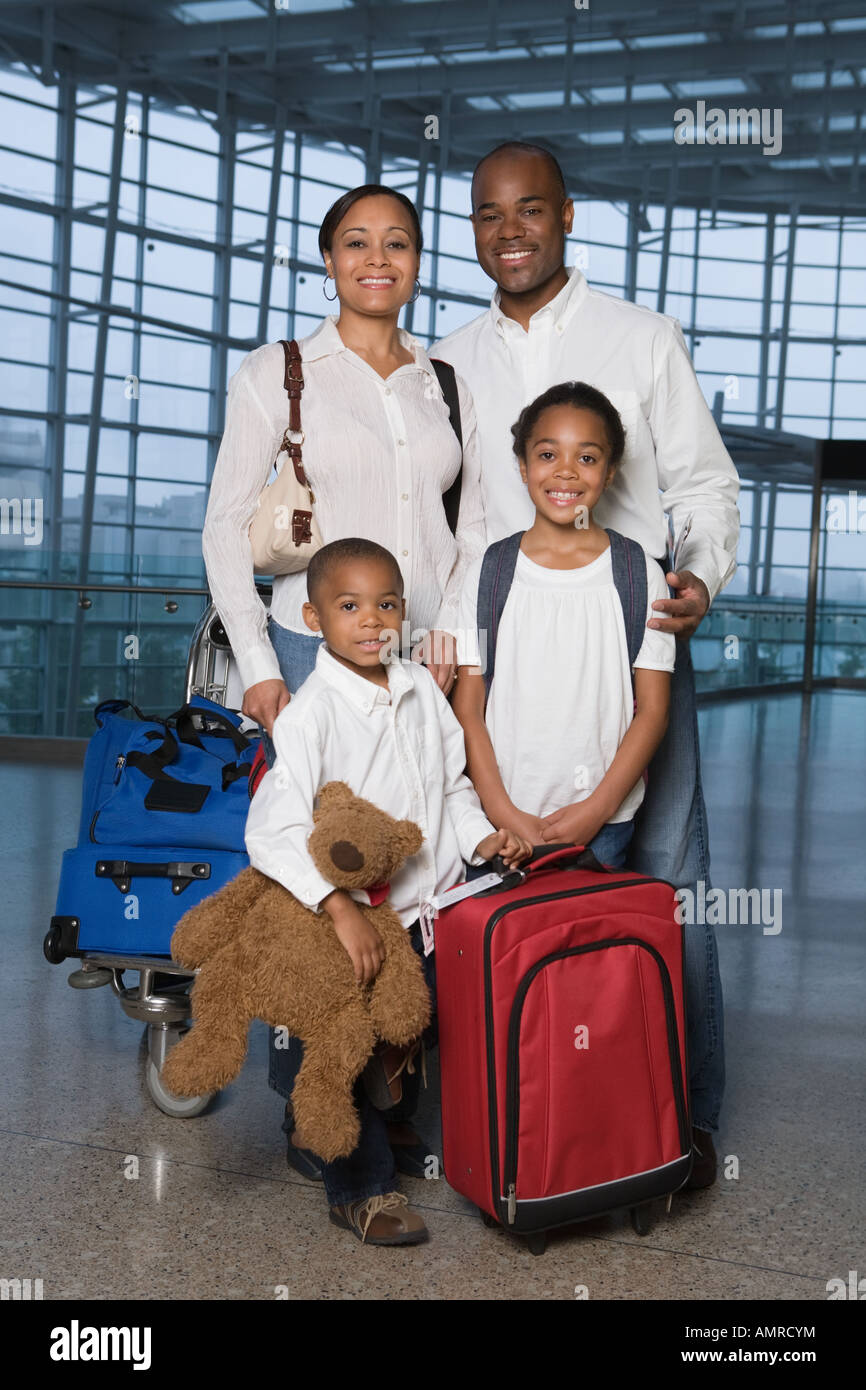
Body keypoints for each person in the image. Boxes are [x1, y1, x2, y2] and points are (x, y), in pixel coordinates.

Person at [433, 142, 741, 1187]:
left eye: (528, 209)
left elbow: (701, 485)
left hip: (633, 637)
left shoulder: (640, 337)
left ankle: (677, 1118)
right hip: (496, 655)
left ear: (567, 217)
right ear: (471, 227)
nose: (507, 229)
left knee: (662, 883)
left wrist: (692, 577)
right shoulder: (448, 356)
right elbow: (451, 519)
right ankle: (505, 1100)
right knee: (478, 869)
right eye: (486, 213)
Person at [202, 183, 481, 1174]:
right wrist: (260, 668)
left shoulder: (440, 380)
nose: (377, 258)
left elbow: (467, 528)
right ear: (326, 260)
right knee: (325, 887)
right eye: (355, 242)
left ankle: (385, 1084)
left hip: (417, 667)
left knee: (416, 881)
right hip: (314, 657)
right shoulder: (279, 373)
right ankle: (327, 1122)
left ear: (415, 259)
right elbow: (226, 524)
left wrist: (451, 641)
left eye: (397, 242)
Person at [244, 537, 532, 1244]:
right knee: (344, 1048)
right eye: (350, 606)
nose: (373, 620)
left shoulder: (418, 694)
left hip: (430, 907)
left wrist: (479, 838)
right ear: (314, 618)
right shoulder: (312, 714)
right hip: (358, 917)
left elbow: (452, 786)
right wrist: (337, 907)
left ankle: (390, 1074)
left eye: (388, 604)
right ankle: (361, 1190)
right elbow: (270, 827)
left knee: (427, 1021)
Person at [453, 382, 674, 873]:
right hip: (501, 824)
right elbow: (468, 706)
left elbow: (654, 710)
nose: (566, 472)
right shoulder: (489, 572)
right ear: (523, 465)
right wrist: (501, 810)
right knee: (503, 945)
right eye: (548, 453)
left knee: (592, 948)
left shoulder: (639, 573)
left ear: (611, 471)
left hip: (604, 828)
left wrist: (595, 811)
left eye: (588, 458)